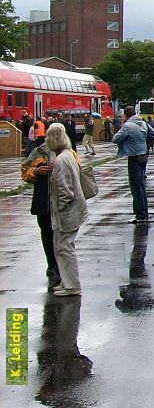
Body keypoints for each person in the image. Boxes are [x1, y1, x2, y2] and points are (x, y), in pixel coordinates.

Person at [45, 123, 88, 297]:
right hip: (73, 210)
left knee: (64, 248)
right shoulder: (68, 155)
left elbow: (65, 190)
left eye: (48, 136)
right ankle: (67, 282)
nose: (46, 139)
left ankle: (71, 285)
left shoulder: (61, 160)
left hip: (68, 212)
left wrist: (60, 209)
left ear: (53, 138)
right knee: (62, 247)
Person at [21, 136, 60, 287]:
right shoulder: (38, 152)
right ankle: (51, 263)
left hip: (61, 201)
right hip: (43, 200)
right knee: (46, 232)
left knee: (62, 234)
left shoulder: (67, 152)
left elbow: (77, 171)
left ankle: (61, 265)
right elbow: (24, 170)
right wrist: (36, 172)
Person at [112, 106, 154, 223]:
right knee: (141, 186)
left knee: (135, 187)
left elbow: (115, 139)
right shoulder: (142, 122)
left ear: (125, 116)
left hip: (133, 156)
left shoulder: (128, 125)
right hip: (143, 154)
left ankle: (140, 215)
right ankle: (144, 212)